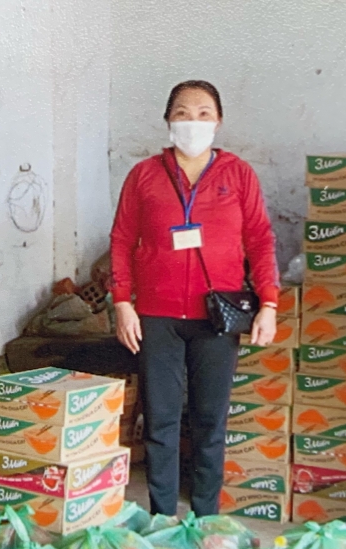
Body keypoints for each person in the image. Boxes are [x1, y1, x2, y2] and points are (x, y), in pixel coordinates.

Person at [110, 80, 281, 517]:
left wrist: (269, 303)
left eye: (204, 113)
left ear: (218, 121)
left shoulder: (238, 174)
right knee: (161, 421)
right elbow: (122, 239)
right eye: (182, 113)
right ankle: (162, 516)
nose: (193, 122)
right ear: (168, 120)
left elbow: (260, 239)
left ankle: (206, 518)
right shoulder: (144, 175)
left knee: (210, 422)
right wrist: (122, 302)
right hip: (156, 315)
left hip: (217, 316)